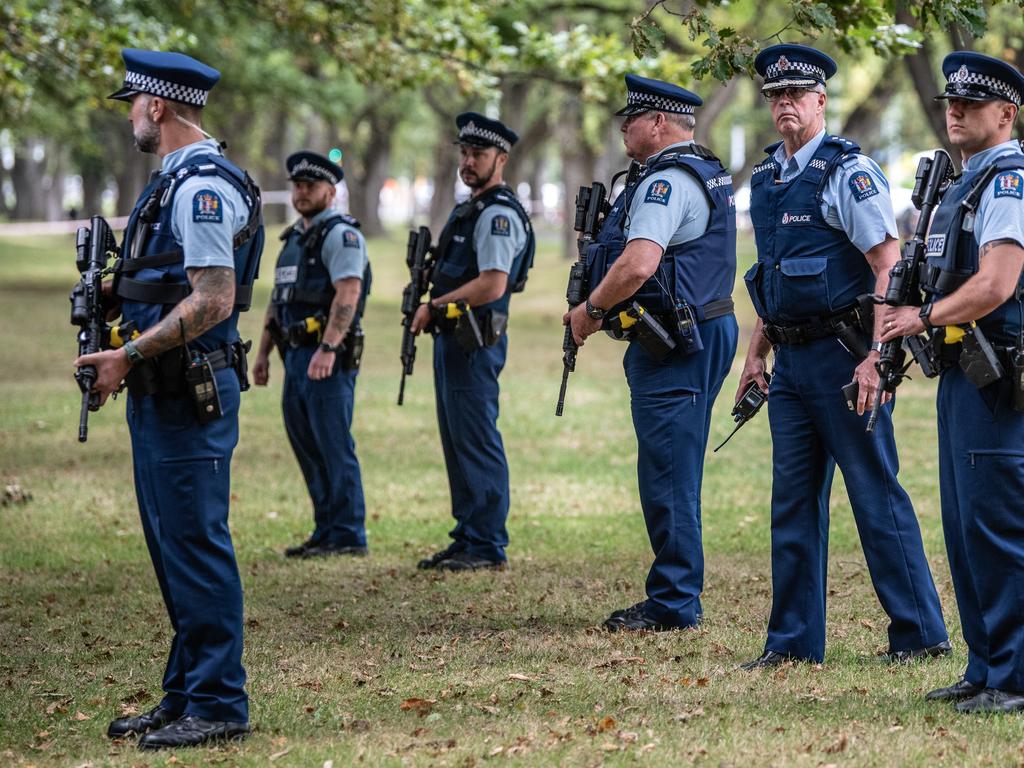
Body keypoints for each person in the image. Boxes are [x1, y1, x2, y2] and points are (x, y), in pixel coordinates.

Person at [74, 49, 263, 748]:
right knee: (171, 546)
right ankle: (185, 691)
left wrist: (126, 354)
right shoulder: (173, 182)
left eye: (134, 103)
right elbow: (169, 280)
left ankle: (219, 704)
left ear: (157, 106)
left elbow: (213, 298)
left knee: (195, 544)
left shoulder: (201, 187)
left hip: (189, 391)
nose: (130, 115)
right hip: (162, 390)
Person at [737, 44, 949, 668]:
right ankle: (793, 644)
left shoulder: (847, 174)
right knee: (792, 503)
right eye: (775, 96)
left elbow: (888, 267)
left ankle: (920, 634)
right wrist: (755, 356)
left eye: (795, 96)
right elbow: (770, 279)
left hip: (843, 357)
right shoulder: (767, 181)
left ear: (820, 100)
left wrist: (876, 359)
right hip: (792, 365)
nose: (784, 106)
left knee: (874, 492)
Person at [565, 75, 739, 631]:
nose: (622, 126)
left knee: (668, 470)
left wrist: (590, 310)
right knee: (671, 465)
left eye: (632, 117)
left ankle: (673, 602)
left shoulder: (668, 182)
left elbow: (640, 263)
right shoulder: (699, 169)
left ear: (659, 123)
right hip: (696, 330)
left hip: (678, 341)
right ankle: (675, 594)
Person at [881, 52, 1024, 713]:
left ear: (1007, 113)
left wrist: (924, 316)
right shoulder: (960, 184)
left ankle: (1014, 679)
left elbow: (995, 285)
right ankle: (986, 666)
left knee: (1000, 529)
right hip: (964, 378)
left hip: (1000, 381)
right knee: (967, 530)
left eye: (972, 102)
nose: (956, 109)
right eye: (950, 101)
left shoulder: (1008, 182)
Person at [410, 112, 535, 572]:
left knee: (476, 438)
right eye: (464, 152)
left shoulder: (497, 214)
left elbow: (492, 284)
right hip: (455, 339)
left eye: (478, 154)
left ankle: (486, 543)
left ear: (500, 159)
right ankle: (467, 535)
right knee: (457, 439)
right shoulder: (471, 208)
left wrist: (435, 305)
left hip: (474, 340)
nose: (468, 161)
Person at [252, 151, 369, 559]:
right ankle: (327, 529)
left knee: (332, 443)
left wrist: (328, 347)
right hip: (294, 358)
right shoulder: (293, 240)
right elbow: (278, 300)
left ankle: (349, 534)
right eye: (297, 185)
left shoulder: (341, 235)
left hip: (327, 359)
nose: (302, 192)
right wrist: (264, 353)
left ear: (330, 192)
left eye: (311, 186)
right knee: (306, 443)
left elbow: (348, 292)